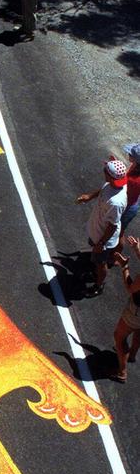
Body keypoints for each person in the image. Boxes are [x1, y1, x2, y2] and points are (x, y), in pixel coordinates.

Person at [76, 158, 128, 296]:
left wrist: (101, 243)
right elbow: (104, 189)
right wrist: (90, 196)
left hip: (102, 237)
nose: (103, 171)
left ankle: (99, 285)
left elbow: (112, 225)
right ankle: (95, 267)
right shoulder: (114, 185)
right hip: (97, 231)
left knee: (100, 263)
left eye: (105, 170)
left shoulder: (116, 203)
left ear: (110, 177)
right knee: (95, 257)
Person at [114, 235, 140, 383]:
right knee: (138, 332)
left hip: (136, 312)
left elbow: (130, 288)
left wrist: (124, 266)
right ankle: (132, 355)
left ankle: (122, 371)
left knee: (119, 337)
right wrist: (137, 249)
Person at [121, 143, 140, 234]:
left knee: (118, 232)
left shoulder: (135, 181)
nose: (128, 154)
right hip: (133, 200)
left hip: (128, 207)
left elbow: (126, 195)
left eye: (130, 154)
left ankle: (114, 248)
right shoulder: (136, 166)